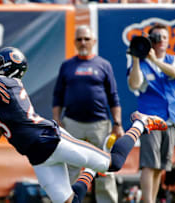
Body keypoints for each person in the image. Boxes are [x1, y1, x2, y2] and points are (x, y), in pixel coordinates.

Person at [0, 46, 168, 203]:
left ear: (8, 69)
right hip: (38, 156)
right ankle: (90, 171)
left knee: (114, 164)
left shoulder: (5, 83)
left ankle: (140, 123)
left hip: (51, 141)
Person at [52, 25, 124, 203]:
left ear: (94, 41)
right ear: (75, 42)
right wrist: (57, 120)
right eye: (79, 39)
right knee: (70, 167)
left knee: (104, 167)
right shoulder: (67, 65)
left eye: (86, 38)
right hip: (72, 124)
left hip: (99, 125)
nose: (83, 42)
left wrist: (117, 123)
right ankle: (68, 200)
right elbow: (58, 94)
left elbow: (113, 96)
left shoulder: (103, 64)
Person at [127, 23, 175, 203]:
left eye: (164, 37)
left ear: (168, 41)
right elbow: (134, 85)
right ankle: (148, 201)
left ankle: (149, 200)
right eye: (156, 37)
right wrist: (136, 58)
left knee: (161, 167)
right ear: (150, 41)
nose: (160, 41)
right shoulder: (141, 64)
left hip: (169, 119)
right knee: (149, 164)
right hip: (150, 120)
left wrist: (155, 61)